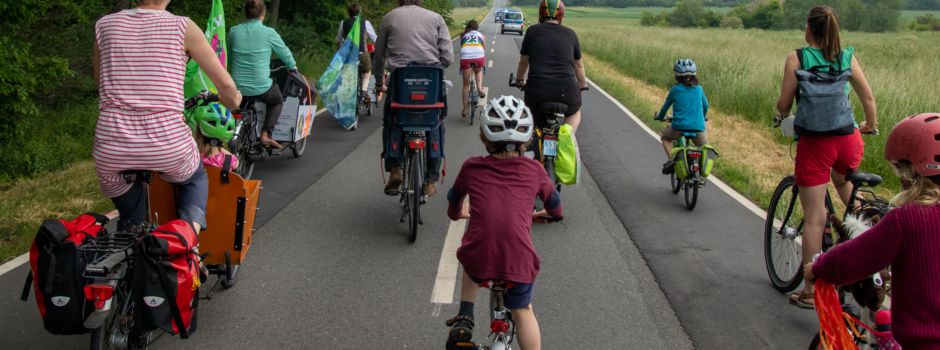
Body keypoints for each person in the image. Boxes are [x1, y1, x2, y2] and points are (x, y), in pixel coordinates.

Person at [93, 0, 242, 233]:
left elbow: (100, 82)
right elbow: (226, 86)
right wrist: (234, 101)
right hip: (168, 144)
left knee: (131, 216)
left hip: (111, 146)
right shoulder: (183, 27)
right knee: (196, 179)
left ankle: (132, 227)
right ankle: (186, 238)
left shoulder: (104, 25)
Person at [804, 113, 940, 348]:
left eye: (900, 170)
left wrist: (819, 267)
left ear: (912, 172)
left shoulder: (907, 219)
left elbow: (858, 256)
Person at [774, 5, 878, 308]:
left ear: (809, 28)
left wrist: (782, 114)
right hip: (848, 139)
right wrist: (870, 125)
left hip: (816, 144)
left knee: (815, 218)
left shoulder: (797, 58)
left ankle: (810, 291)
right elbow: (868, 97)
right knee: (843, 180)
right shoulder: (846, 57)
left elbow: (783, 103)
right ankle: (865, 229)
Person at [445, 95, 563, 350]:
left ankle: (466, 314)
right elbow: (556, 206)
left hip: (480, 256)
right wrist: (549, 214)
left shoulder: (471, 168)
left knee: (471, 252)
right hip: (518, 259)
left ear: (484, 137)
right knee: (523, 310)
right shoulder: (535, 170)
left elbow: (454, 199)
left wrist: (456, 213)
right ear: (527, 138)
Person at [373, 0, 454, 197]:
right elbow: (448, 57)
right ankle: (431, 180)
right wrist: (435, 67)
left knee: (392, 121)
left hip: (400, 81)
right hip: (431, 83)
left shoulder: (389, 18)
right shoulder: (436, 18)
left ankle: (395, 169)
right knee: (436, 123)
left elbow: (379, 57)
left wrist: (379, 81)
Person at [229, 0, 298, 149]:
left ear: (245, 14)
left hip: (236, 87)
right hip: (261, 87)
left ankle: (234, 131)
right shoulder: (269, 33)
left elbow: (228, 56)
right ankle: (266, 134)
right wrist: (292, 67)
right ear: (263, 14)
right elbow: (284, 52)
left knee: (237, 107)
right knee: (276, 100)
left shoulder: (234, 32)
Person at [514, 0, 587, 133]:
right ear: (561, 15)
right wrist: (582, 85)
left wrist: (519, 80)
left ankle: (531, 140)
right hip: (567, 90)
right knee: (574, 112)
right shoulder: (571, 34)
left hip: (537, 90)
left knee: (530, 120)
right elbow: (578, 65)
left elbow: (523, 62)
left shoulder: (532, 31)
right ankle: (568, 137)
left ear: (541, 14)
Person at [655, 59, 709, 174]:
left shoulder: (675, 90)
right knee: (704, 148)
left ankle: (672, 160)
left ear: (677, 76)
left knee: (665, 137)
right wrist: (703, 118)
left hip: (678, 127)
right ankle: (701, 173)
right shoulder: (699, 89)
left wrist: (660, 117)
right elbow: (706, 106)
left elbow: (665, 107)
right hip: (698, 128)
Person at [337, 3, 378, 100]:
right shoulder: (365, 23)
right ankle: (364, 90)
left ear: (349, 13)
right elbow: (375, 39)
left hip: (348, 56)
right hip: (362, 55)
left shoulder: (343, 23)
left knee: (345, 73)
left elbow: (339, 40)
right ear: (359, 12)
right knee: (367, 71)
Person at [191, 104, 239, 171]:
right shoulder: (230, 161)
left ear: (198, 132)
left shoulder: (191, 156)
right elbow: (237, 164)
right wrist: (219, 146)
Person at [459, 20, 486, 119]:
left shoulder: (463, 36)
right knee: (478, 70)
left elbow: (463, 48)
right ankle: (479, 88)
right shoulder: (481, 36)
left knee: (466, 85)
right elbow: (483, 49)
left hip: (465, 58)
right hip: (478, 57)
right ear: (477, 28)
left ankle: (465, 110)